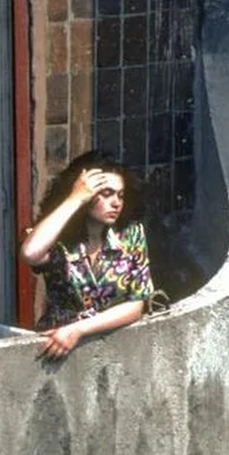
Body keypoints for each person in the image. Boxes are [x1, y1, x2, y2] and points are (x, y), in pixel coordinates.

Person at [19, 151, 155, 361]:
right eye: (106, 193)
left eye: (120, 195)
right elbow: (30, 253)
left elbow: (136, 305)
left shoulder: (131, 235)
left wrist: (78, 330)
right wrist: (75, 199)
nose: (116, 203)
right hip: (57, 352)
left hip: (113, 351)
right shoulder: (58, 241)